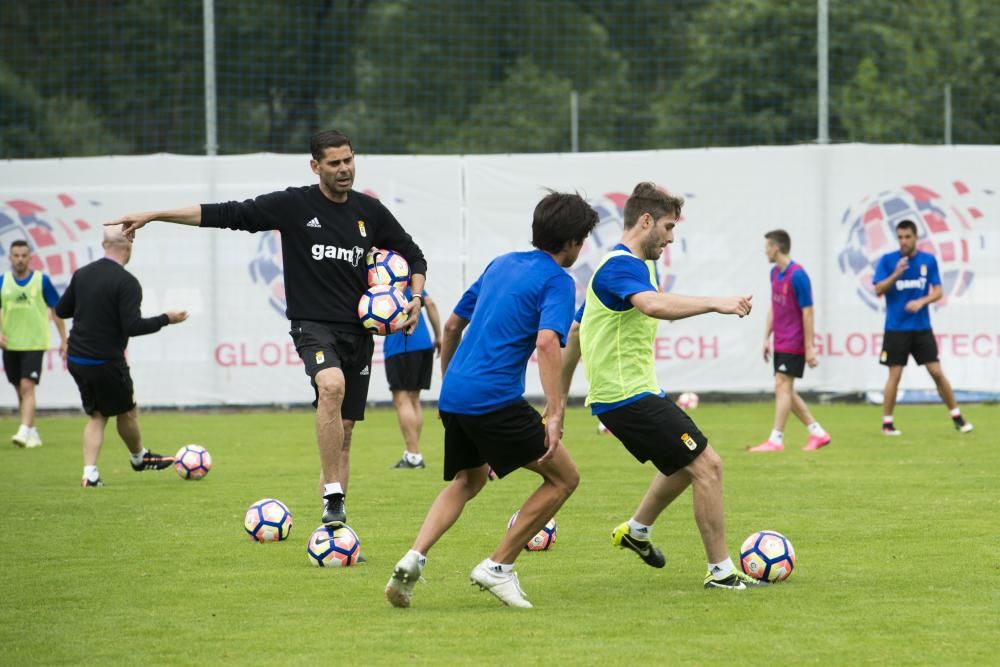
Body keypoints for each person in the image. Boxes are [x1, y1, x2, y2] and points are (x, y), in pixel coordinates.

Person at [112, 130, 427, 526]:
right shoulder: (294, 205)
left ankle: (334, 527)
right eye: (334, 163)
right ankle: (333, 494)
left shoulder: (370, 211)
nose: (344, 168)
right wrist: (156, 214)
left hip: (358, 334)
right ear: (316, 166)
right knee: (330, 385)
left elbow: (413, 255)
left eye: (348, 159)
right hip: (313, 326)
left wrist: (413, 299)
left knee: (345, 434)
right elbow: (227, 213)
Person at [385, 191, 597, 609]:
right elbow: (549, 343)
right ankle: (498, 566)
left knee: (470, 479)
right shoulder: (558, 280)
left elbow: (450, 326)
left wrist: (452, 384)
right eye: (583, 239)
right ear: (572, 242)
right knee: (564, 478)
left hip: (457, 396)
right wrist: (554, 413)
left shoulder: (501, 264)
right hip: (495, 400)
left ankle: (413, 558)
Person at [577, 182, 763, 590]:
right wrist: (718, 302)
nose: (671, 237)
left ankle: (637, 531)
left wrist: (556, 408)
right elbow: (655, 306)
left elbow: (576, 330)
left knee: (683, 465)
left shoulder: (627, 268)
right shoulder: (621, 266)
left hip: (628, 394)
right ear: (646, 221)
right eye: (667, 226)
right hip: (627, 396)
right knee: (709, 466)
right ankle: (721, 573)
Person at [55, 225, 188, 487]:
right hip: (105, 361)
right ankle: (139, 458)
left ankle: (89, 473)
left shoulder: (82, 274)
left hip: (77, 359)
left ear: (104, 246)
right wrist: (167, 319)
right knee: (127, 410)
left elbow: (62, 309)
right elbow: (133, 327)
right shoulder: (126, 282)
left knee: (97, 415)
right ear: (128, 248)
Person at [873, 219, 973, 435]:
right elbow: (878, 289)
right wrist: (896, 274)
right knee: (895, 375)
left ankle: (957, 416)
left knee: (936, 371)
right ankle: (887, 423)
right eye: (900, 237)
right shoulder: (888, 261)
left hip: (920, 327)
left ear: (916, 237)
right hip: (896, 328)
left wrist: (921, 302)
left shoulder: (928, 260)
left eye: (907, 237)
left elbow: (938, 291)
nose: (903, 241)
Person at [749, 230, 831, 452]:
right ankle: (817, 432)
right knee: (786, 390)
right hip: (780, 341)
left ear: (776, 247)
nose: (765, 250)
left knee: (782, 386)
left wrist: (809, 347)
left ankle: (776, 439)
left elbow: (808, 313)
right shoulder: (774, 273)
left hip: (794, 342)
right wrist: (766, 337)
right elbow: (774, 307)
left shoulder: (798, 275)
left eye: (767, 246)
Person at [0, 240, 68, 448]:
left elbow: (57, 310)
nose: (20, 259)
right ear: (10, 258)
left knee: (27, 386)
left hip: (34, 343)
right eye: (16, 255)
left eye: (23, 255)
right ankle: (32, 430)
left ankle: (23, 430)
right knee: (20, 389)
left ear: (30, 258)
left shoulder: (42, 281)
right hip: (11, 344)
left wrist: (64, 340)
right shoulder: (3, 281)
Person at [383, 287, 441, 469]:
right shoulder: (410, 280)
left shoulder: (385, 283)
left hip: (401, 346)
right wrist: (439, 336)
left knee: (401, 399)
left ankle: (414, 455)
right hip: (424, 344)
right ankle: (413, 453)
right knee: (414, 399)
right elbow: (430, 303)